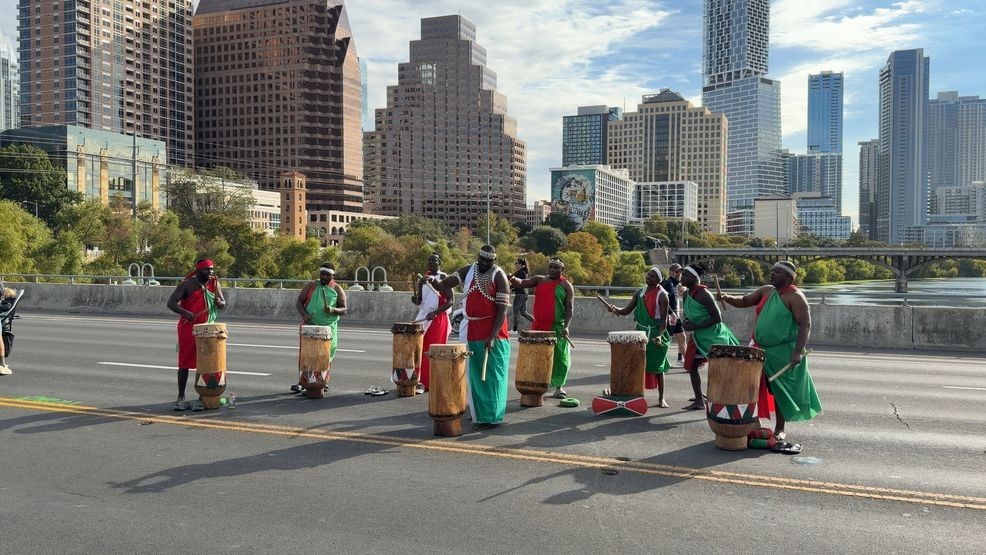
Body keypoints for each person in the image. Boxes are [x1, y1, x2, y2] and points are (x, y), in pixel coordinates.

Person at [718, 260, 822, 441]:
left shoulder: (796, 297)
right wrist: (727, 298)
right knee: (752, 386)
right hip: (757, 349)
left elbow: (805, 325)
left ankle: (780, 428)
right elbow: (744, 301)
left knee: (779, 390)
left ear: (789, 277)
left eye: (778, 272)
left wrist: (797, 352)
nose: (772, 274)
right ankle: (752, 423)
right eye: (772, 271)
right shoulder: (766, 290)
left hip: (782, 352)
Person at [430, 245, 511, 431]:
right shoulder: (468, 270)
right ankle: (480, 415)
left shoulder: (499, 277)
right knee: (474, 374)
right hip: (472, 328)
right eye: (482, 260)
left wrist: (492, 336)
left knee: (493, 376)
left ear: (494, 261)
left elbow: (502, 311)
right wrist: (433, 283)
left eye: (488, 261)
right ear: (478, 257)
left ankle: (492, 416)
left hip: (494, 331)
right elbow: (444, 285)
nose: (484, 264)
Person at [604, 267, 672, 407]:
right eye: (648, 275)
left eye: (652, 276)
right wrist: (614, 309)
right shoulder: (639, 293)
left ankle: (661, 398)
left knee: (658, 366)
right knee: (636, 365)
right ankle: (635, 394)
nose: (648, 277)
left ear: (659, 280)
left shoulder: (662, 295)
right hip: (640, 333)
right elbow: (626, 311)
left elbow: (664, 320)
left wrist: (659, 335)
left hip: (656, 333)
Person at [510, 257, 575, 399]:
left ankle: (559, 387)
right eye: (551, 267)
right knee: (537, 357)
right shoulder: (539, 279)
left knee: (560, 358)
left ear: (562, 270)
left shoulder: (566, 286)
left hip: (557, 327)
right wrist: (513, 280)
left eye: (556, 267)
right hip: (539, 327)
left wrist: (567, 326)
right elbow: (522, 283)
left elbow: (569, 308)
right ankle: (538, 385)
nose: (552, 269)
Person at [166, 259, 226, 411]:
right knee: (184, 363)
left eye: (212, 269)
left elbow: (224, 303)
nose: (210, 272)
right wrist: (185, 313)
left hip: (208, 329)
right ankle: (181, 397)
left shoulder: (215, 283)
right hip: (188, 328)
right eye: (207, 269)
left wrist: (220, 303)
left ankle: (202, 397)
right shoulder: (187, 285)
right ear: (198, 270)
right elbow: (171, 303)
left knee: (206, 363)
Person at [679, 263, 739, 410]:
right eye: (682, 274)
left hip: (713, 335)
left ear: (695, 278)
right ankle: (700, 400)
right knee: (691, 365)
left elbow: (717, 318)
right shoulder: (686, 294)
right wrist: (687, 321)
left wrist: (694, 326)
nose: (682, 277)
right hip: (698, 336)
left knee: (720, 368)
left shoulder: (704, 294)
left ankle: (725, 398)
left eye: (686, 275)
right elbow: (689, 313)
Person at [291, 263, 348, 393]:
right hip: (310, 326)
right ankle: (302, 382)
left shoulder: (337, 289)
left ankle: (323, 381)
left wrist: (333, 309)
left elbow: (344, 309)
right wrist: (304, 315)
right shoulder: (311, 286)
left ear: (333, 276)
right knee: (306, 355)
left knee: (326, 356)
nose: (324, 277)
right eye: (323, 274)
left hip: (328, 328)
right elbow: (299, 302)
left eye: (328, 275)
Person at [411, 253, 453, 393]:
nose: (431, 262)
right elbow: (420, 301)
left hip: (437, 317)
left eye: (434, 260)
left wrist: (435, 313)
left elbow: (450, 301)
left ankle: (431, 382)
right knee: (420, 349)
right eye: (429, 260)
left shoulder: (443, 278)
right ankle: (420, 381)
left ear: (440, 262)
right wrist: (415, 300)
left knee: (432, 350)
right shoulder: (423, 279)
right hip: (424, 316)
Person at [662, 263, 687, 366]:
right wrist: (671, 313)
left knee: (682, 337)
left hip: (674, 316)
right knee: (667, 340)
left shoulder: (676, 284)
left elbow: (675, 299)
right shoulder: (668, 284)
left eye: (681, 272)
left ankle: (685, 362)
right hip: (669, 316)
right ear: (671, 272)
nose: (679, 274)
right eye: (677, 272)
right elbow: (663, 301)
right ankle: (661, 361)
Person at [510, 258, 534, 333]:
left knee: (516, 311)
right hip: (525, 294)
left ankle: (514, 329)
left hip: (520, 294)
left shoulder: (519, 272)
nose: (515, 265)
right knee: (524, 313)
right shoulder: (524, 272)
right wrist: (513, 288)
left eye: (516, 263)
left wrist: (510, 287)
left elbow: (518, 283)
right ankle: (537, 323)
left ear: (521, 264)